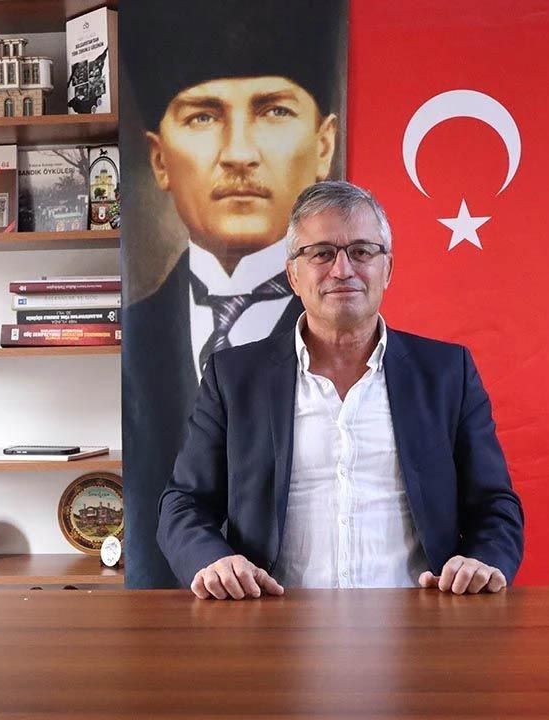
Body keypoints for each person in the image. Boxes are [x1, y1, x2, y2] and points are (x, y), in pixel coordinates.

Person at [158, 181, 525, 599]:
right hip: (272, 621)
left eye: (362, 251)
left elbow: (496, 506)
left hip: (419, 623)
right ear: (293, 274)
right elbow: (183, 503)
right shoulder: (235, 377)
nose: (342, 270)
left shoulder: (446, 373)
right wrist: (214, 561)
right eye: (321, 253)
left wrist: (482, 560)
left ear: (388, 269)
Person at [121, 0, 347, 588]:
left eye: (273, 111)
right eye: (203, 116)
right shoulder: (134, 336)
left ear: (324, 145)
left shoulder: (360, 339)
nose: (239, 153)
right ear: (158, 159)